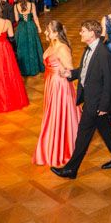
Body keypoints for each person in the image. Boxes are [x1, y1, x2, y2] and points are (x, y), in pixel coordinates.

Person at [51, 20, 111, 179]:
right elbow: (85, 70)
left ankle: (71, 169)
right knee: (105, 128)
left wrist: (104, 106)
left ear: (92, 34)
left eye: (83, 31)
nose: (80, 33)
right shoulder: (89, 49)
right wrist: (71, 74)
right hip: (92, 98)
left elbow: (109, 82)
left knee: (83, 133)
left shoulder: (104, 53)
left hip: (97, 101)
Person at [34, 21, 80, 166]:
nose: (46, 33)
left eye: (48, 31)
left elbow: (71, 70)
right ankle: (52, 143)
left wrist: (64, 72)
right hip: (51, 84)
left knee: (59, 115)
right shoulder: (53, 45)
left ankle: (61, 147)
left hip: (60, 86)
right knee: (52, 114)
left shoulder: (62, 48)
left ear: (55, 33)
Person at [13, 0, 45, 77]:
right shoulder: (31, 5)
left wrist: (21, 16)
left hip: (21, 28)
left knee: (22, 48)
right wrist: (39, 27)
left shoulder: (16, 6)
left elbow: (16, 19)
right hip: (31, 26)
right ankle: (34, 68)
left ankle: (24, 69)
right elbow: (35, 18)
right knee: (33, 46)